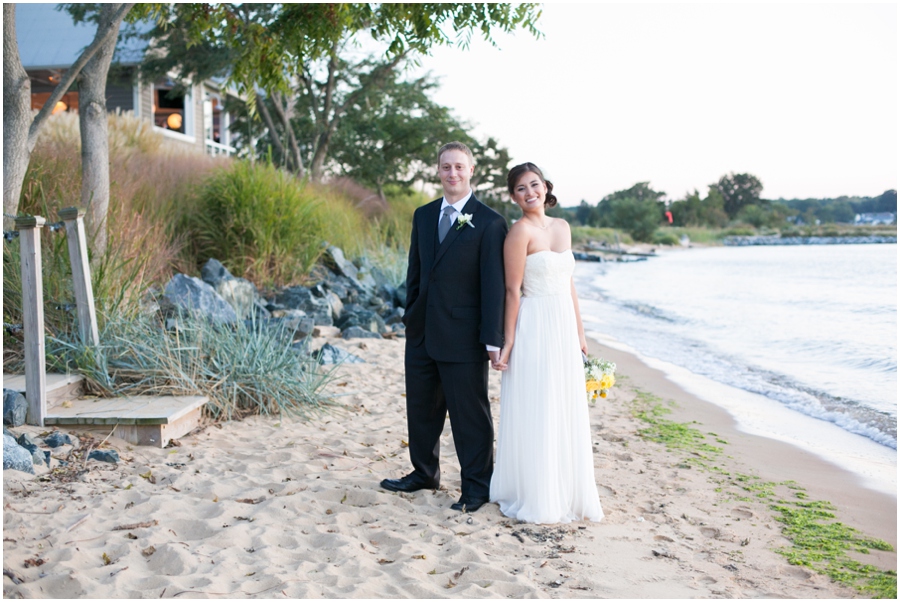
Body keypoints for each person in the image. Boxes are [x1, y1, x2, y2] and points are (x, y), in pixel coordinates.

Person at [380, 141, 508, 513]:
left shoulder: (489, 222)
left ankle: (475, 488)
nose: (452, 173)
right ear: (438, 171)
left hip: (465, 336)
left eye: (459, 167)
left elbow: (493, 287)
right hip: (422, 330)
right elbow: (415, 272)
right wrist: (410, 316)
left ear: (471, 171)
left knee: (470, 413)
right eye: (445, 167)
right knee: (421, 408)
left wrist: (492, 338)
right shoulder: (423, 215)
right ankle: (424, 473)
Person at [489, 162, 604, 524]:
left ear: (546, 187)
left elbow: (568, 282)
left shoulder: (563, 227)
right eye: (521, 189)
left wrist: (580, 334)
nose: (529, 193)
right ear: (513, 196)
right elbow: (512, 289)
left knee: (564, 404)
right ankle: (537, 493)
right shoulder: (518, 233)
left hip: (562, 325)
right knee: (539, 405)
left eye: (534, 185)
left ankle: (566, 490)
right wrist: (507, 342)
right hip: (534, 324)